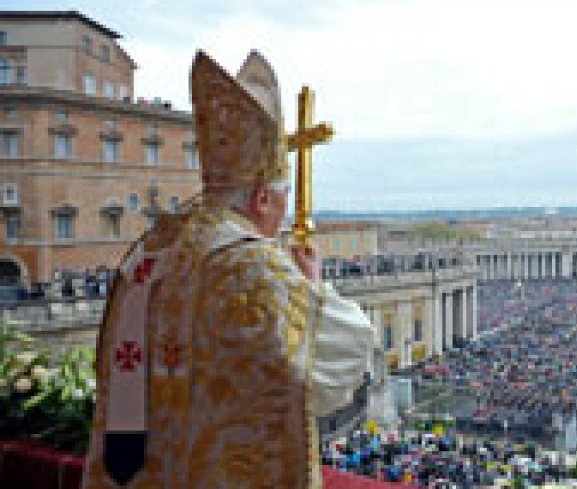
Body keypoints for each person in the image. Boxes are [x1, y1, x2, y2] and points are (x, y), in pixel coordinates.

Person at [82, 50, 375, 488]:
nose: (279, 216)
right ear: (261, 199)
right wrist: (310, 288)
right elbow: (337, 370)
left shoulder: (146, 253)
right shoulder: (259, 269)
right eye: (280, 202)